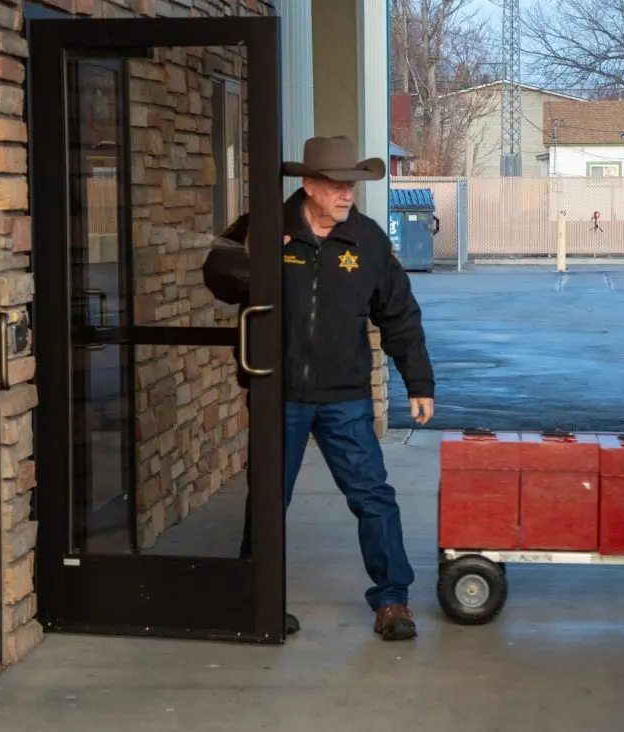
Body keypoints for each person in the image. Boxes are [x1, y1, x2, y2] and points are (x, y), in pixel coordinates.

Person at [203, 135, 435, 641]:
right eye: (336, 185)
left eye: (351, 184)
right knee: (268, 499)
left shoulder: (368, 241)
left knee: (373, 495)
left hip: (344, 397)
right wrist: (257, 263)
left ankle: (392, 600)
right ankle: (257, 598)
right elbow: (217, 271)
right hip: (278, 393)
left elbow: (399, 314)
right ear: (308, 185)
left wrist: (419, 381)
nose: (347, 194)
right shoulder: (266, 227)